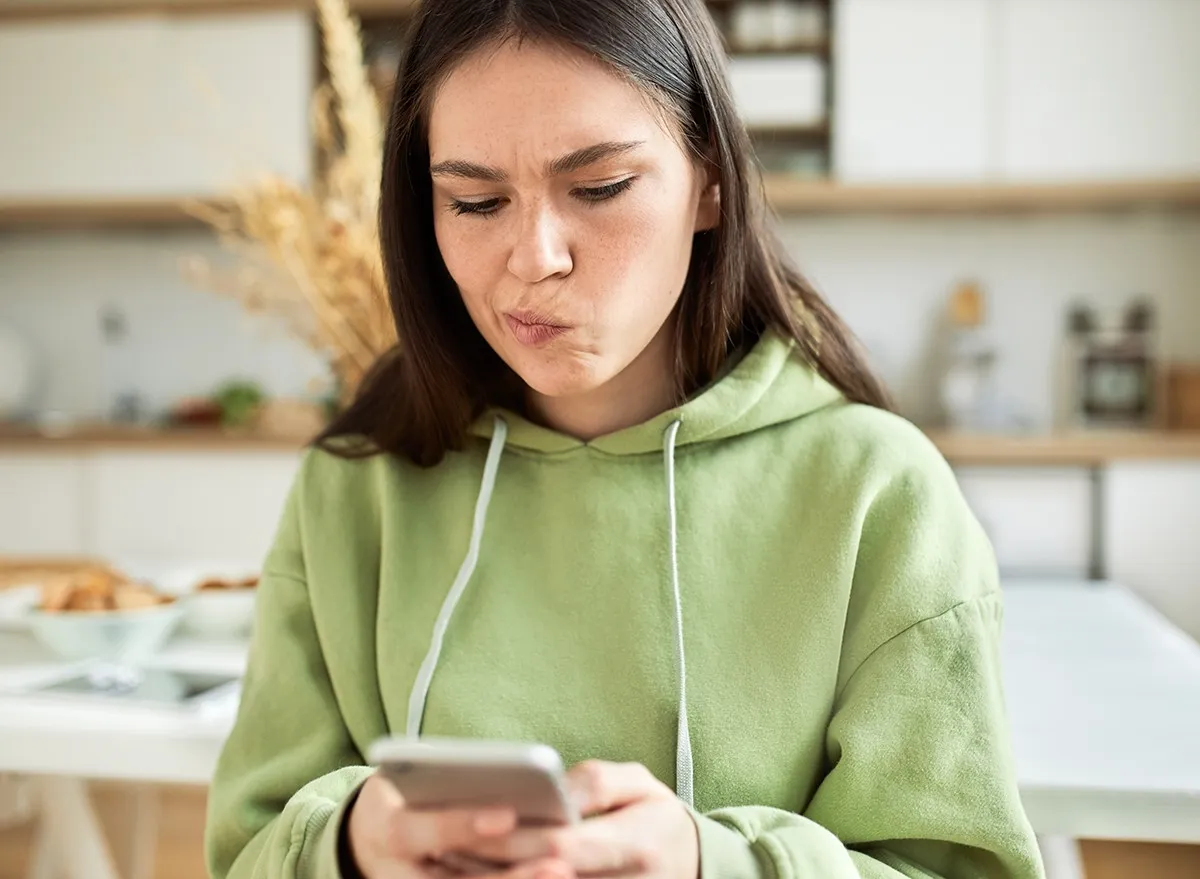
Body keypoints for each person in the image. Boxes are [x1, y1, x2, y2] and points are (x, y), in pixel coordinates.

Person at [206, 0, 1045, 877]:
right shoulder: (353, 491)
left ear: (710, 181)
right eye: (476, 200)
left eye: (599, 187)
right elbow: (243, 853)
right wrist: (347, 844)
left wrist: (708, 863)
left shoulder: (880, 494)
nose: (534, 257)